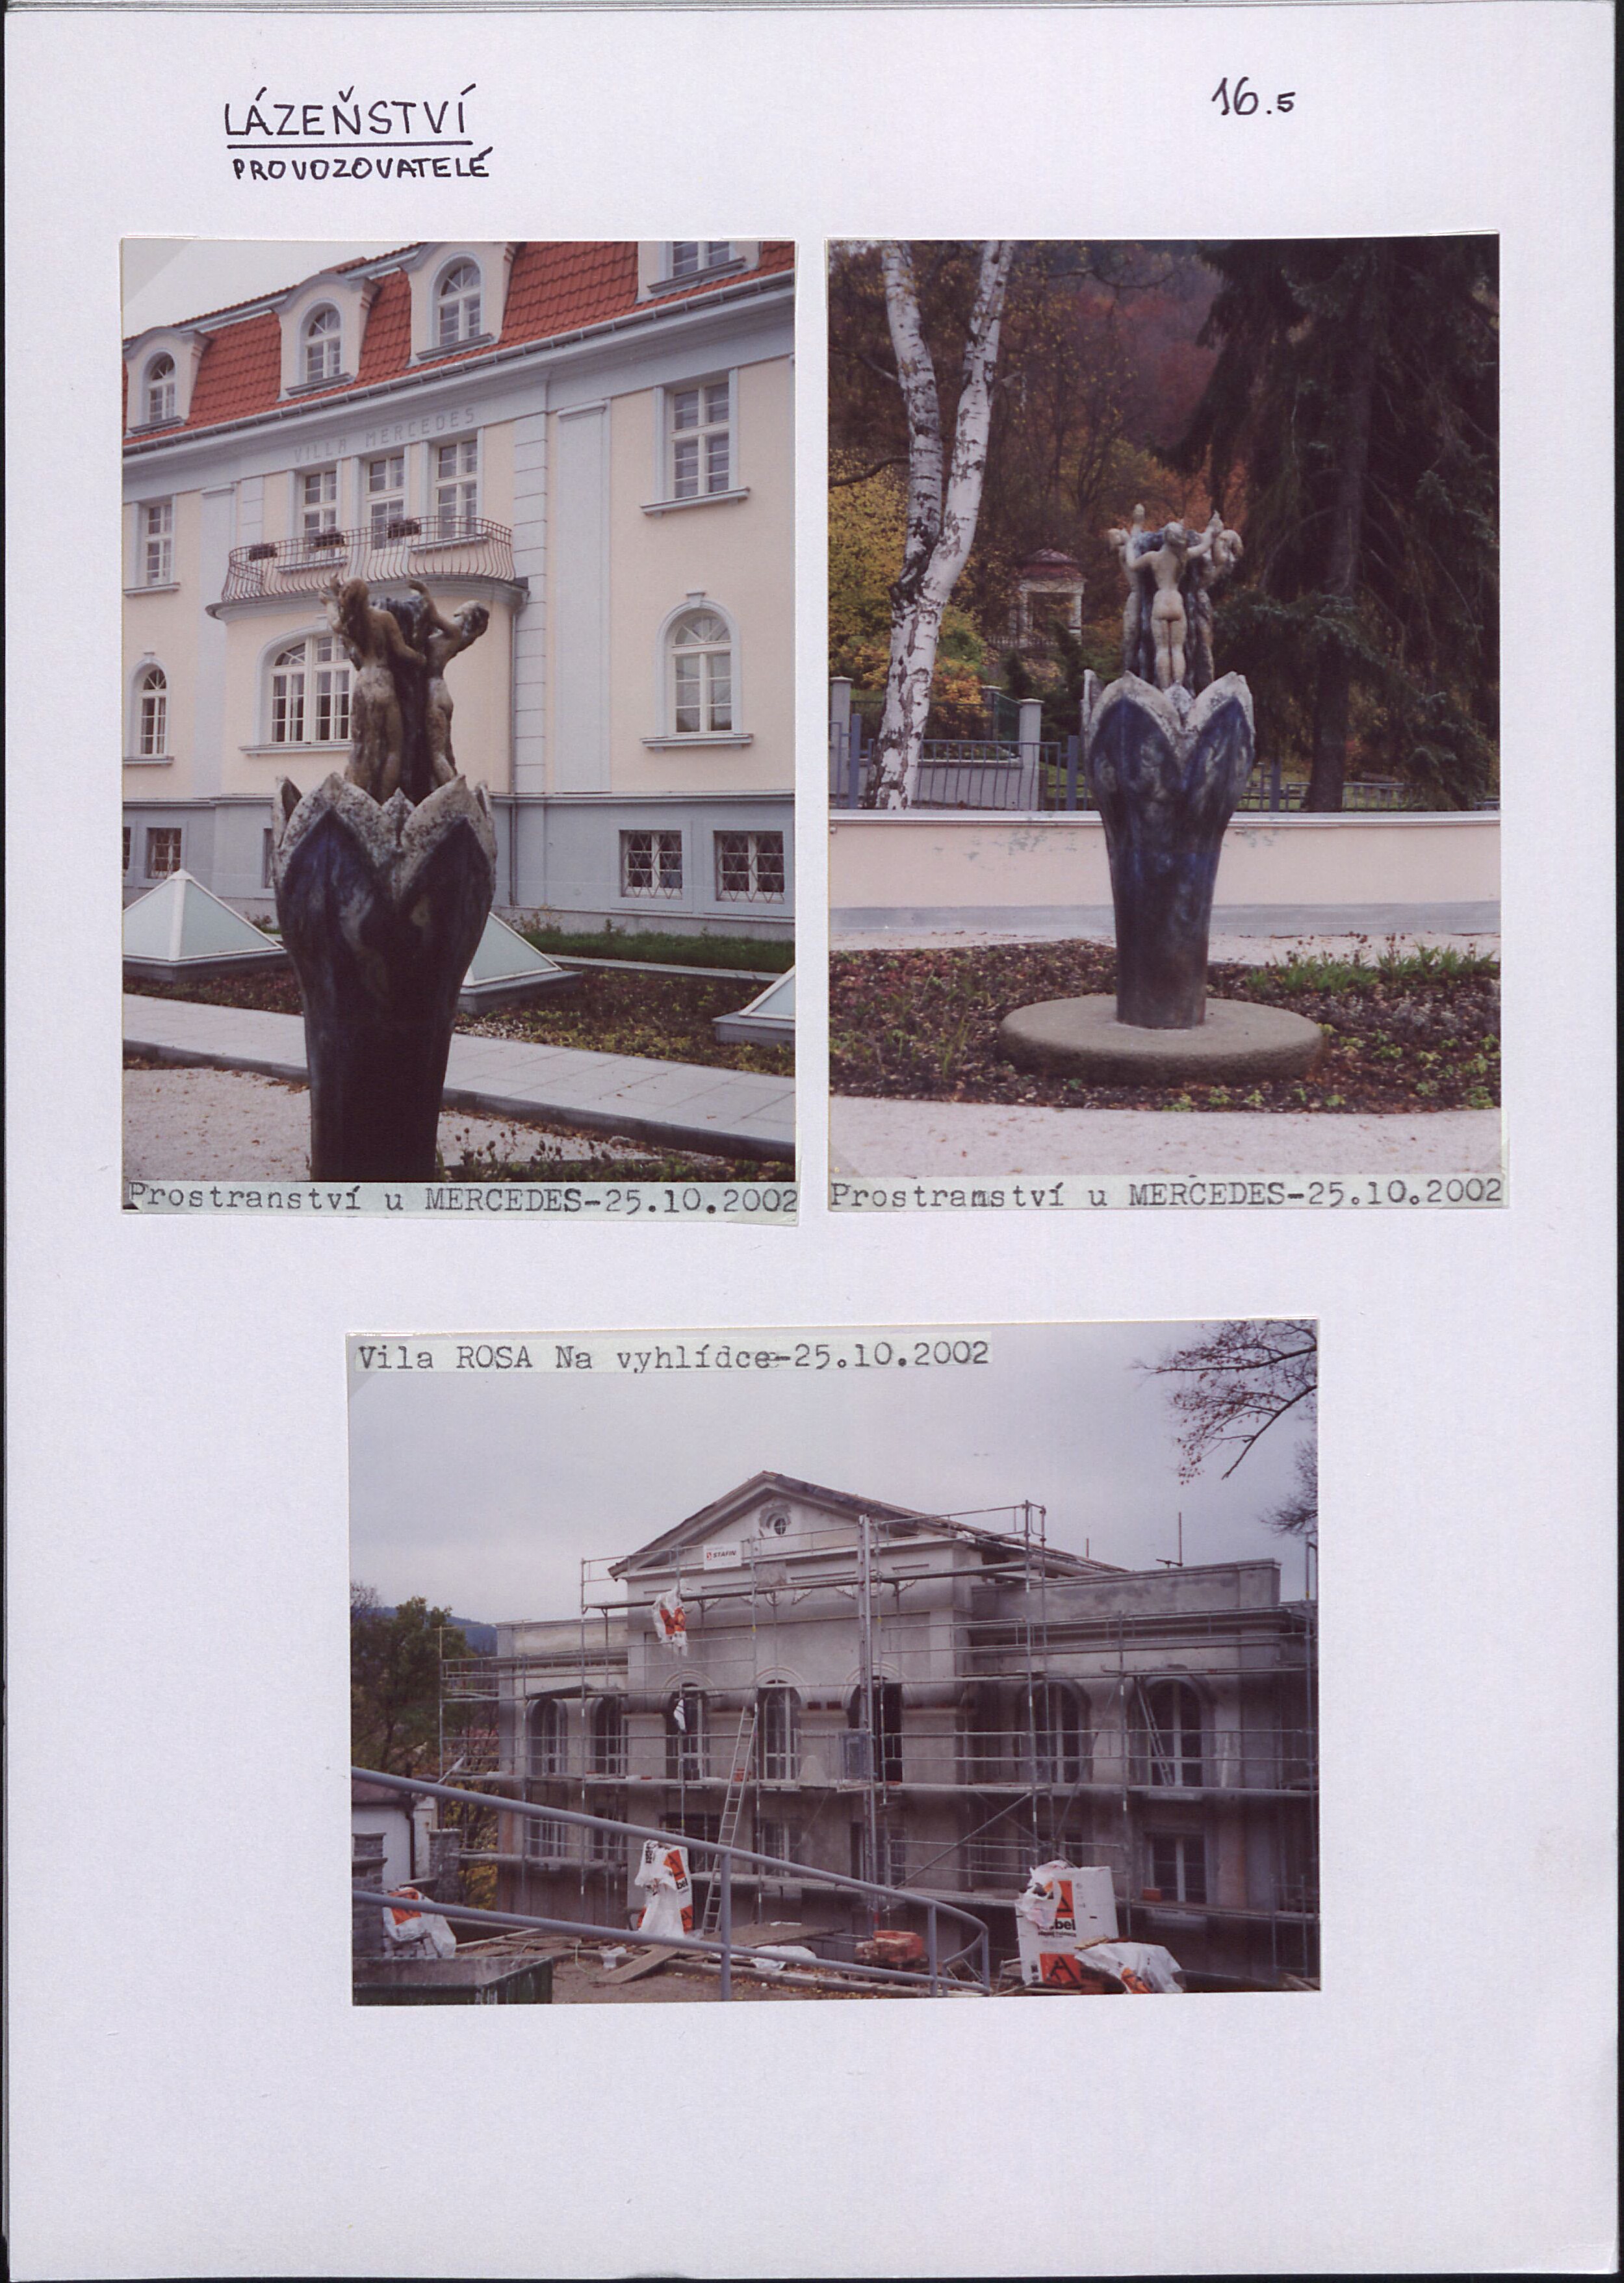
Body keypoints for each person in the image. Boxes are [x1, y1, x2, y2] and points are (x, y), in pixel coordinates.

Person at [321, 577, 424, 801]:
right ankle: (384, 801)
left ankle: (357, 796)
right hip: (383, 682)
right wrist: (420, 659)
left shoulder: (349, 623)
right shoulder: (383, 618)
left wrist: (329, 601)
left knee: (360, 746)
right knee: (394, 748)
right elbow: (401, 651)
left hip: (362, 685)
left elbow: (335, 620)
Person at [404, 581, 491, 788]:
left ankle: (454, 798)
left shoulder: (453, 632)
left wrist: (423, 591)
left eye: (459, 614)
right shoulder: (450, 637)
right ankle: (453, 788)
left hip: (433, 692)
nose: (454, 617)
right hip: (441, 692)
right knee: (446, 752)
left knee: (437, 756)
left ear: (467, 619)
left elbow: (432, 615)